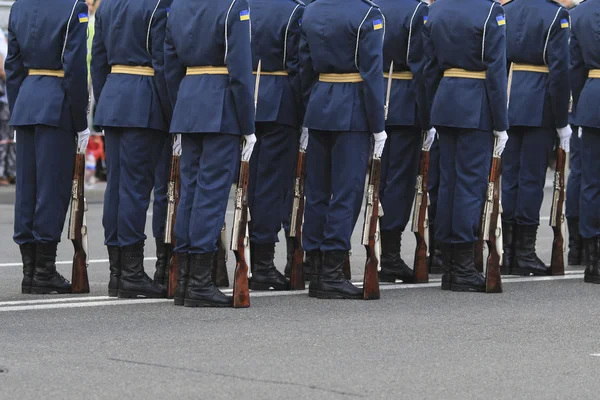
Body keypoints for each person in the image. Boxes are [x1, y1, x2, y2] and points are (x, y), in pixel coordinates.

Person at [165, 0, 256, 307]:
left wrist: (182, 104)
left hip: (189, 100)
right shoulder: (233, 5)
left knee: (190, 191)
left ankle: (187, 280)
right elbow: (241, 71)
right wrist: (248, 124)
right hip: (221, 106)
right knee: (211, 193)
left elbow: (170, 64)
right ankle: (200, 281)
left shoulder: (177, 6)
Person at [300, 0, 386, 299]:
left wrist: (310, 106)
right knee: (346, 193)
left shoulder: (310, 10)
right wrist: (378, 124)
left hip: (320, 103)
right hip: (352, 107)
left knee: (318, 191)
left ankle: (315, 263)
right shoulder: (367, 13)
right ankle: (332, 270)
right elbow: (372, 74)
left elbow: (304, 67)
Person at [423, 0, 508, 292]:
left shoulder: (436, 9)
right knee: (469, 187)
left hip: (445, 100)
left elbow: (428, 66)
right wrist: (501, 121)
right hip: (476, 104)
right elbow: (496, 71)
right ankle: (461, 266)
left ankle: (448, 263)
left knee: (448, 184)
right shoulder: (490, 11)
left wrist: (430, 109)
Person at [6, 0, 90, 294]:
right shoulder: (74, 7)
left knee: (27, 190)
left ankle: (30, 272)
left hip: (26, 103)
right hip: (56, 105)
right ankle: (44, 270)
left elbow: (13, 66)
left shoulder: (19, 7)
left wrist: (18, 111)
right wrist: (81, 120)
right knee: (51, 191)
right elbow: (76, 69)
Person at [92, 0, 172, 298]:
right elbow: (163, 63)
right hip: (145, 99)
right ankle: (132, 272)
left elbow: (97, 61)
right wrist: (170, 110)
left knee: (117, 186)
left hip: (114, 96)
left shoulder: (107, 6)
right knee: (135, 190)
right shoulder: (158, 5)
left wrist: (107, 100)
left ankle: (117, 271)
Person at [502, 0, 571, 276]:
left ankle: (507, 252)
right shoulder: (555, 13)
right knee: (531, 180)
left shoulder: (506, 10)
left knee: (510, 178)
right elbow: (560, 73)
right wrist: (561, 121)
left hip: (509, 98)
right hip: (539, 102)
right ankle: (524, 253)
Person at [247, 0, 305, 291]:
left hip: (247, 100)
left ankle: (254, 258)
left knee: (252, 185)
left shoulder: (244, 6)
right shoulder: (294, 10)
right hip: (281, 103)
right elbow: (298, 66)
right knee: (271, 188)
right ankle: (263, 264)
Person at [377, 0, 434, 283]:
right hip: (404, 101)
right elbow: (421, 67)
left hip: (377, 99)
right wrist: (427, 117)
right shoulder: (417, 10)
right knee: (399, 183)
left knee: (380, 180)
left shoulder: (373, 6)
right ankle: (390, 256)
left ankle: (380, 249)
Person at [569, 0, 600, 284]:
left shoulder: (580, 12)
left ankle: (594, 262)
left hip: (592, 98)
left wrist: (580, 106)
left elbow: (575, 67)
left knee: (591, 182)